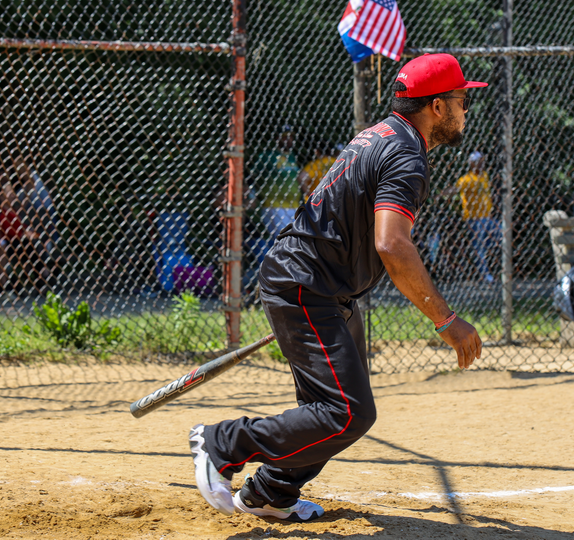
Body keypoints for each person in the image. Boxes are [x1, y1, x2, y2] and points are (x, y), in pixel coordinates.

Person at [189, 53, 486, 522]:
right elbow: (392, 245)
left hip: (322, 287)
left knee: (327, 409)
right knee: (347, 412)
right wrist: (446, 320)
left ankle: (271, 491)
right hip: (307, 286)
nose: (466, 110)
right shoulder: (406, 156)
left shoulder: (382, 134)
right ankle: (224, 442)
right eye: (461, 100)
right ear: (436, 106)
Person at [440, 151, 498, 283]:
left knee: (499, 237)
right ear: (472, 164)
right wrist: (440, 194)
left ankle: (488, 268)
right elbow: (455, 189)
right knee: (479, 248)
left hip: (488, 217)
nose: (482, 164)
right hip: (474, 219)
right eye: (479, 162)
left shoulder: (484, 176)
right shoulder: (467, 179)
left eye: (482, 161)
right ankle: (484, 275)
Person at [253, 124, 302, 240]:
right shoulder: (268, 156)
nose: (289, 140)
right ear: (277, 138)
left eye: (291, 137)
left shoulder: (292, 156)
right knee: (283, 240)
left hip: (294, 205)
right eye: (285, 137)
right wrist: (252, 195)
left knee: (294, 240)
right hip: (275, 205)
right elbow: (253, 176)